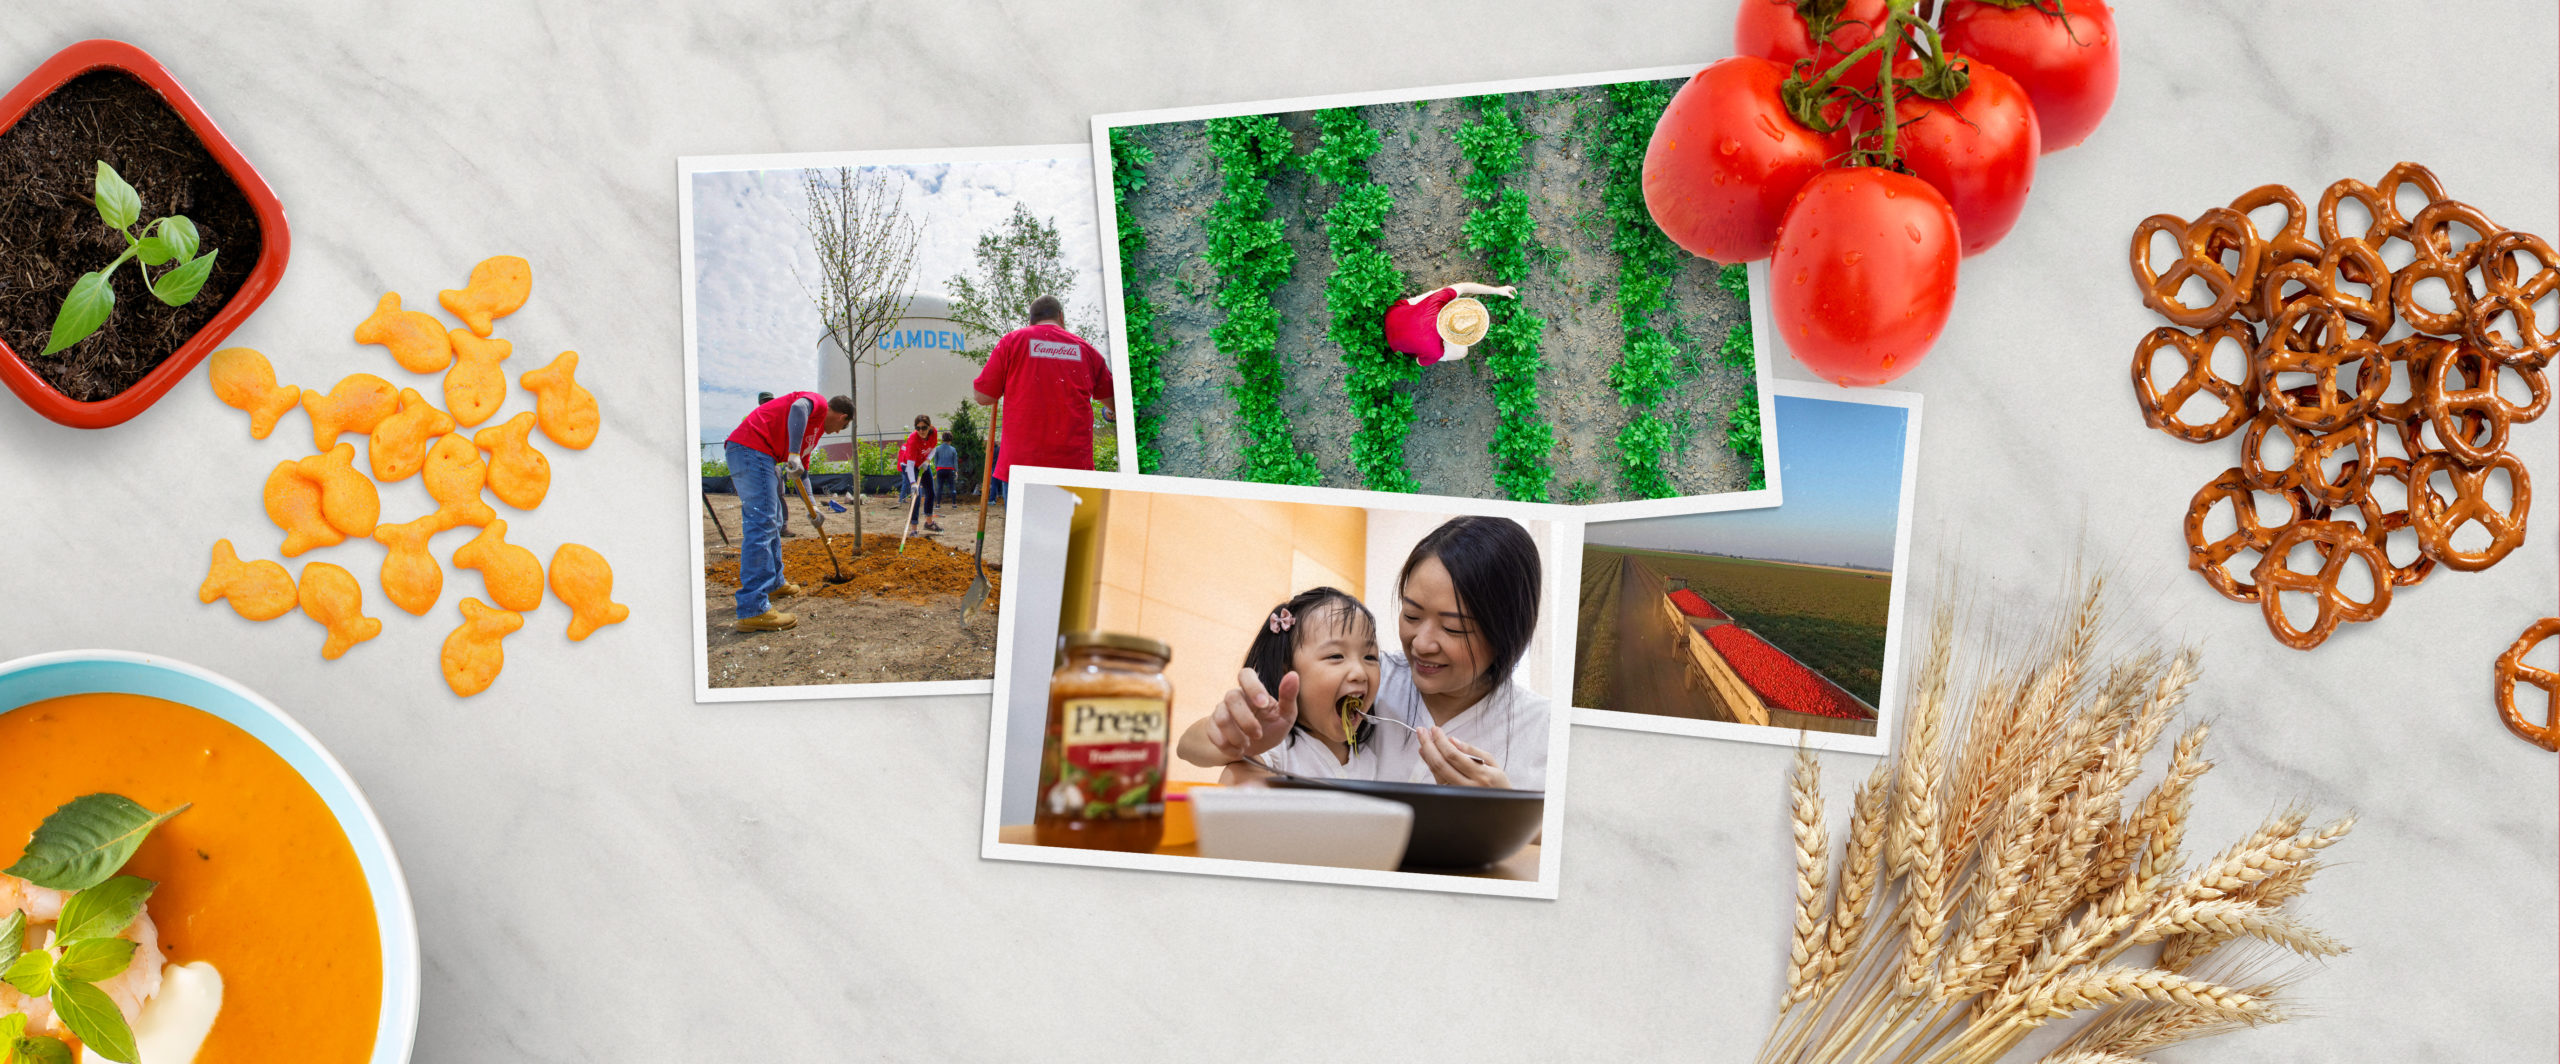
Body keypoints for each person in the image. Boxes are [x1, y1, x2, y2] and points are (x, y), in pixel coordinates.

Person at [1179, 516, 1550, 790]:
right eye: (1411, 615)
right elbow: (1196, 749)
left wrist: (1504, 808)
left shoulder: (1543, 726)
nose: (1421, 644)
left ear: (1506, 634)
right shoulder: (1371, 681)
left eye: (1454, 628)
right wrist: (1231, 741)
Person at [1174, 588, 1383, 781]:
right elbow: (1186, 746)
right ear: (1287, 671)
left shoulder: (1370, 760)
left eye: (1370, 657)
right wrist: (1236, 738)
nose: (1360, 673)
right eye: (1336, 656)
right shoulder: (1274, 745)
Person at [723, 391, 852, 632]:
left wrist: (813, 507)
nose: (836, 432)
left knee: (774, 521)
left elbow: (802, 474)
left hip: (763, 456)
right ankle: (753, 609)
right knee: (762, 524)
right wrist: (793, 452)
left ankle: (774, 583)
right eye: (842, 427)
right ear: (843, 417)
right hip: (751, 449)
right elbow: (798, 408)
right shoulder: (818, 403)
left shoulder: (813, 435)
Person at [971, 295, 1114, 499]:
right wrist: (1109, 413)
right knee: (1069, 521)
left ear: (1031, 320)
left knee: (1025, 521)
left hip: (1022, 465)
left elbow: (982, 397)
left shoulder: (1012, 342)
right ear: (1061, 317)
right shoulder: (1087, 350)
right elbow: (1116, 403)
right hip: (1074, 467)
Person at [1383, 282, 1518, 367]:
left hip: (1392, 314)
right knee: (1461, 351)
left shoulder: (1435, 301)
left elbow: (1463, 286)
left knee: (1451, 294)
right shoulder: (1435, 350)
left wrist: (1497, 290)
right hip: (1395, 345)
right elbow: (1419, 362)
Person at [898, 414, 943, 534]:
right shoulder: (912, 440)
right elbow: (910, 465)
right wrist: (913, 483)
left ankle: (929, 523)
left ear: (929, 426)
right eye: (918, 428)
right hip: (909, 466)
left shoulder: (933, 433)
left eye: (924, 428)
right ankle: (914, 529)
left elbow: (933, 448)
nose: (921, 431)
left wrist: (927, 461)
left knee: (931, 492)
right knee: (916, 496)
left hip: (923, 463)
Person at [932, 435, 960, 500]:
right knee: (952, 487)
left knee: (939, 487)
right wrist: (956, 471)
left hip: (940, 469)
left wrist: (937, 468)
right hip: (950, 470)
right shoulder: (953, 449)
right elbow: (955, 461)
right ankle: (954, 504)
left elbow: (935, 460)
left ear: (943, 440)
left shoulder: (937, 448)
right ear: (950, 440)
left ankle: (938, 504)